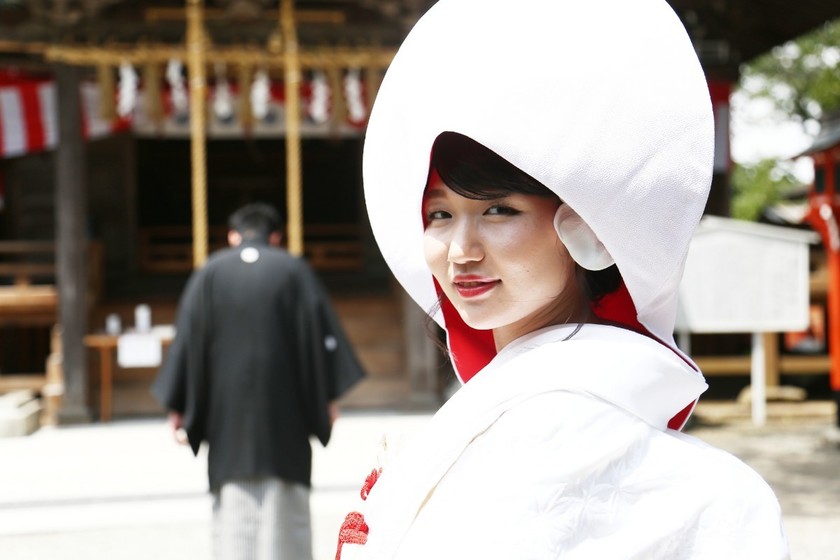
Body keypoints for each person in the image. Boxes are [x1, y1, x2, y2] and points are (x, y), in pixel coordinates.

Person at [334, 0, 790, 558]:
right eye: (439, 215)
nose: (460, 251)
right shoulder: (717, 489)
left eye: (498, 211)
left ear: (585, 229)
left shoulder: (577, 436)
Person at [152, 202, 365, 560]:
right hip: (287, 420)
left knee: (233, 515)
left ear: (233, 236)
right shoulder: (294, 270)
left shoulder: (210, 273)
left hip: (227, 422)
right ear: (276, 237)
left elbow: (187, 342)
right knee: (286, 512)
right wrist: (327, 398)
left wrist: (178, 406)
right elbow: (319, 341)